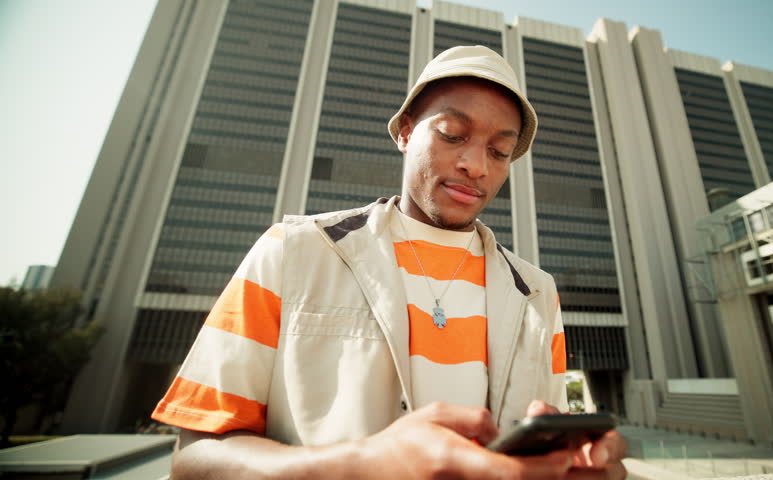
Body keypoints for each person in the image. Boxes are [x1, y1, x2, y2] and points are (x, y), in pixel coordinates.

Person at [152, 45, 627, 479]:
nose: (477, 165)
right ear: (404, 133)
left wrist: (578, 465)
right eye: (453, 134)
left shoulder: (537, 292)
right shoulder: (293, 251)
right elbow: (194, 459)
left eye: (500, 152)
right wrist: (362, 466)